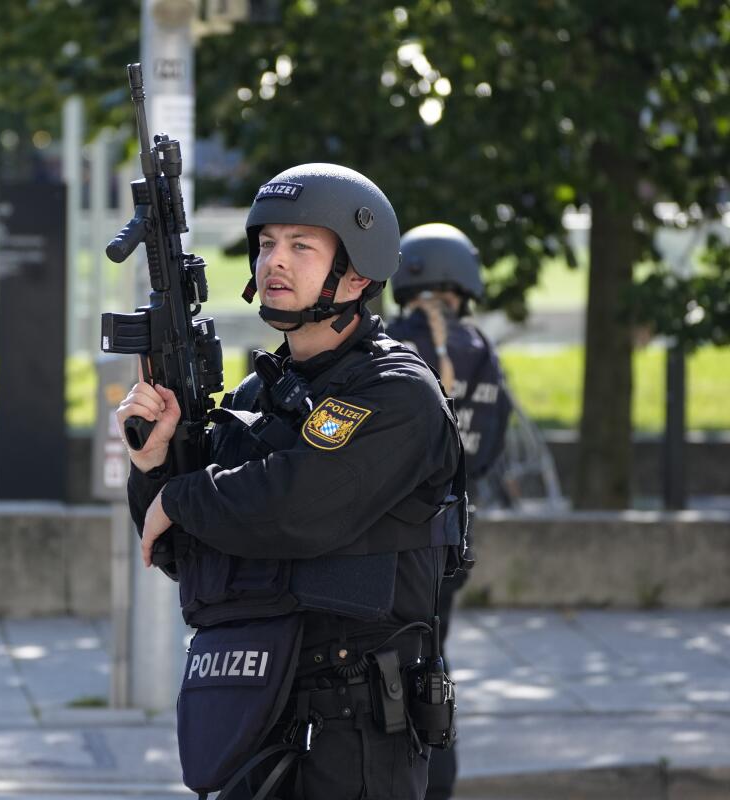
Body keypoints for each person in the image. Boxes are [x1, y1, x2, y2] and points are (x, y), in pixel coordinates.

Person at [118, 164, 468, 799]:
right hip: (254, 708)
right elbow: (179, 552)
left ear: (358, 273)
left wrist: (181, 495)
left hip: (356, 732)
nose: (274, 261)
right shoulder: (262, 394)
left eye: (301, 246)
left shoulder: (396, 393)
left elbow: (298, 507)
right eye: (267, 243)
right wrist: (155, 465)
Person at [386, 222, 513, 800]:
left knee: (374, 672)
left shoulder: (385, 345)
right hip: (451, 546)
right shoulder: (483, 353)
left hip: (386, 545)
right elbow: (489, 451)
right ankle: (437, 783)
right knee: (431, 663)